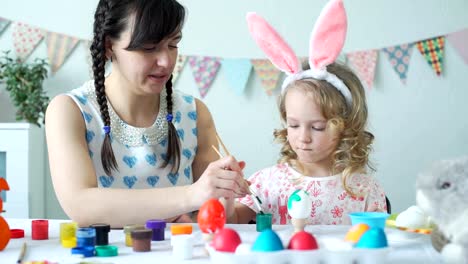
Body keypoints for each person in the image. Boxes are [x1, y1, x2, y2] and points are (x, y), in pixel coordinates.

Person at [45, 0, 249, 228]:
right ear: (108, 46)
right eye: (149, 47)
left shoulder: (194, 114)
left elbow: (211, 214)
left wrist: (225, 192)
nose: (166, 61)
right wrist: (190, 195)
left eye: (173, 45)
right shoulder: (71, 111)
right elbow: (81, 205)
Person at [224, 0, 387, 225]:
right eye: (293, 125)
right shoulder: (269, 182)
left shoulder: (364, 189)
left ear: (346, 126)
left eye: (317, 127)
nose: (303, 137)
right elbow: (232, 221)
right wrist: (225, 198)